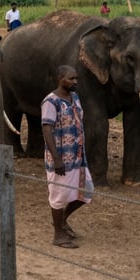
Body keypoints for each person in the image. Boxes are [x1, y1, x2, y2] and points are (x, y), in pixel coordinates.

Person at [41, 65, 92, 249]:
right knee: (58, 197)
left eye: (76, 78)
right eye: (71, 78)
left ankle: (61, 221)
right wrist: (56, 159)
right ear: (60, 79)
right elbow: (46, 129)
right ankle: (58, 236)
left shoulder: (75, 98)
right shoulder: (51, 102)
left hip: (78, 158)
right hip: (61, 160)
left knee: (86, 192)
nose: (75, 82)